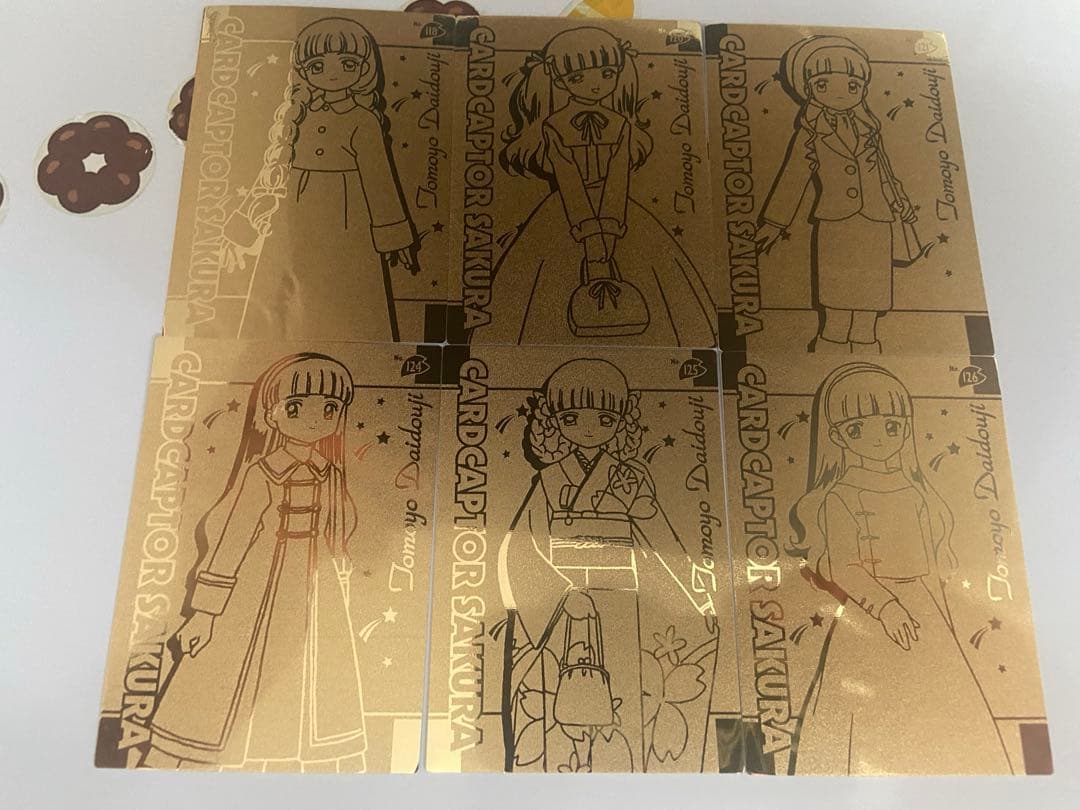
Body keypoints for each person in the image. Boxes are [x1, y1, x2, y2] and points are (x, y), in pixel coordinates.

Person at [145, 353, 367, 772]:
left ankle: (289, 756)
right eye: (296, 407)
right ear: (272, 414)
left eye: (330, 408)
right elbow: (230, 541)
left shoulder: (331, 474)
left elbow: (340, 531)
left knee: (309, 676)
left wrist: (344, 571)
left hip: (314, 593)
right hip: (254, 589)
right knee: (230, 674)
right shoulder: (261, 473)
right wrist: (205, 612)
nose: (315, 418)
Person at [789, 363, 1011, 774]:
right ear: (838, 435)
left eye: (892, 426)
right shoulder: (839, 496)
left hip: (927, 613)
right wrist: (886, 607)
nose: (879, 437)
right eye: (859, 428)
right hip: (871, 614)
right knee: (867, 711)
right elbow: (843, 565)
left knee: (945, 707)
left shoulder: (917, 493)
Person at [498, 359, 718, 773]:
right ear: (554, 422)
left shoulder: (630, 477)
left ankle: (622, 772)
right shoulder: (549, 480)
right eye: (571, 418)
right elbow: (522, 547)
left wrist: (695, 593)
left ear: (621, 422)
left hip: (620, 602)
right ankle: (560, 773)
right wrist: (562, 596)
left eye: (604, 418)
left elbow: (661, 541)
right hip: (565, 607)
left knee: (622, 694)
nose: (588, 428)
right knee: (560, 697)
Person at [479, 27, 716, 346]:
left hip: (618, 208)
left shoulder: (620, 124)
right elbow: (568, 180)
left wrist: (612, 227)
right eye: (578, 77)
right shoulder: (554, 126)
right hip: (566, 211)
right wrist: (591, 233)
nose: (595, 85)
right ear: (559, 80)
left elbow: (619, 177)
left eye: (607, 74)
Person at [225, 17, 419, 341]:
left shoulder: (364, 120)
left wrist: (394, 237)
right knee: (282, 300)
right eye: (318, 65)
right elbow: (271, 173)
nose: (332, 73)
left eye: (347, 63)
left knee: (349, 295)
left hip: (348, 221)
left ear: (363, 69)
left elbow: (379, 179)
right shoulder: (296, 115)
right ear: (304, 71)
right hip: (293, 218)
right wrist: (242, 230)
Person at [756, 36, 920, 353]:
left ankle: (867, 348)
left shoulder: (868, 130)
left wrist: (899, 202)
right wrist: (775, 223)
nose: (840, 93)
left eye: (852, 85)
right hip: (836, 221)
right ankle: (830, 346)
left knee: (871, 299)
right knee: (836, 300)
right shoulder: (811, 132)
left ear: (862, 89)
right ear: (810, 89)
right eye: (824, 84)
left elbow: (884, 171)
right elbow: (794, 176)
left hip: (877, 223)